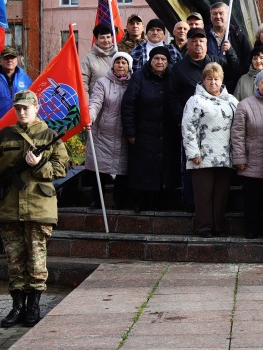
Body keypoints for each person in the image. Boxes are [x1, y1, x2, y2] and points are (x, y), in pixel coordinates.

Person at [0, 90, 68, 328]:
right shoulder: (3, 135)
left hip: (38, 207)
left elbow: (61, 168)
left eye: (26, 108)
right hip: (9, 207)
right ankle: (17, 306)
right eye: (18, 108)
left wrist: (39, 165)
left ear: (36, 108)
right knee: (14, 261)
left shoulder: (49, 135)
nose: (21, 112)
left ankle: (33, 306)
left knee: (37, 261)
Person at [182, 63, 238, 237]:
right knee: (203, 194)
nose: (213, 82)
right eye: (209, 79)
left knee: (221, 195)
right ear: (203, 80)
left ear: (222, 80)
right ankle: (204, 227)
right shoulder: (195, 100)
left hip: (225, 156)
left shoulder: (231, 100)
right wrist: (193, 153)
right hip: (202, 156)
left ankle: (217, 226)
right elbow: (188, 127)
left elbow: (239, 126)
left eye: (216, 79)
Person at [231, 70, 263, 239]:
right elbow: (237, 134)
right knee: (251, 201)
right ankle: (251, 230)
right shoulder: (244, 105)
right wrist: (239, 158)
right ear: (257, 84)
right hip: (251, 161)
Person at [122, 46, 174, 212]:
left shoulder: (172, 76)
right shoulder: (139, 77)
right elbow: (128, 104)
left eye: (163, 59)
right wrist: (130, 131)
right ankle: (140, 201)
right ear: (150, 60)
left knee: (162, 169)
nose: (160, 62)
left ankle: (159, 201)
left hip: (166, 132)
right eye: (156, 58)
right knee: (142, 169)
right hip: (143, 132)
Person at [85, 52, 132, 210]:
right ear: (112, 65)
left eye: (124, 62)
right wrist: (90, 117)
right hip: (103, 133)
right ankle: (96, 200)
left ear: (129, 66)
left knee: (122, 170)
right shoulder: (102, 82)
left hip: (124, 134)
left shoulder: (133, 83)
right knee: (99, 169)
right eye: (117, 62)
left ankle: (119, 201)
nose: (120, 65)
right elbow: (95, 102)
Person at [207, 2, 252, 81]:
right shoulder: (204, 34)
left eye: (221, 13)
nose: (218, 16)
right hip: (210, 79)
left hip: (233, 81)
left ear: (228, 15)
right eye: (214, 14)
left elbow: (247, 57)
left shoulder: (237, 35)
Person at [81, 24, 118, 97]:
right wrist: (86, 102)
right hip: (96, 101)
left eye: (108, 37)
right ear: (96, 39)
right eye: (102, 38)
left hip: (117, 101)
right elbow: (83, 84)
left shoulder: (119, 56)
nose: (106, 40)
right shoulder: (88, 59)